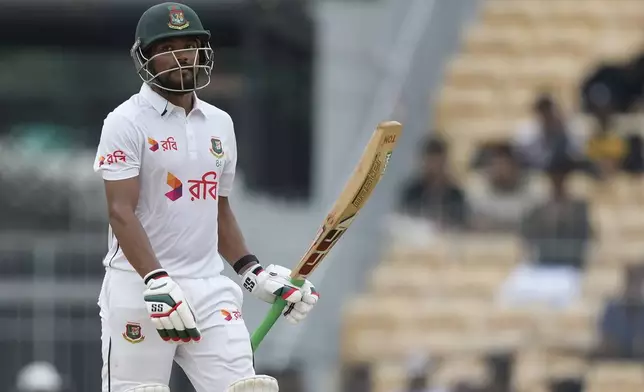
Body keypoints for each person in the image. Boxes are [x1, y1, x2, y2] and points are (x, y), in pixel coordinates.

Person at [93, 3, 319, 392]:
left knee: (249, 389)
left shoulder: (220, 123)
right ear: (145, 57)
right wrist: (156, 280)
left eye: (190, 45)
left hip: (208, 286)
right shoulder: (125, 122)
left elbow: (218, 207)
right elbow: (120, 212)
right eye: (167, 47)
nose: (181, 55)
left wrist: (252, 272)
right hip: (139, 285)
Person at [467, 143, 544, 232]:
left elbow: (536, 226)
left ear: (516, 167)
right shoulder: (477, 192)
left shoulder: (534, 192)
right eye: (496, 165)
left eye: (505, 164)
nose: (501, 170)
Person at [398, 136, 467, 230]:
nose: (434, 168)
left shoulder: (455, 195)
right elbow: (403, 220)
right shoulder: (412, 192)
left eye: (438, 164)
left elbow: (461, 224)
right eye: (431, 163)